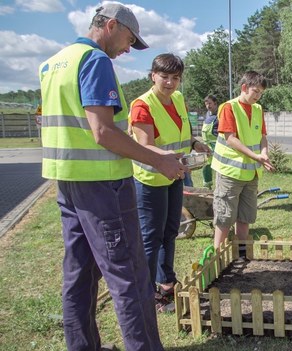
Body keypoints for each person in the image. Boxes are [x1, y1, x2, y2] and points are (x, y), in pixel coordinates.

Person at [38, 4, 186, 350]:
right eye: (128, 39)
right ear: (111, 25)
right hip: (104, 187)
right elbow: (103, 132)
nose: (125, 49)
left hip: (69, 184)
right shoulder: (95, 60)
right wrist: (157, 158)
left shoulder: (53, 63)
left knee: (79, 274)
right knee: (130, 277)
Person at [129, 53, 210, 312]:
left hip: (175, 175)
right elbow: (145, 147)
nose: (170, 83)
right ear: (153, 75)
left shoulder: (178, 99)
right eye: (164, 77)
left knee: (170, 232)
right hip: (150, 180)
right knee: (151, 237)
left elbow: (182, 135)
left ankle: (166, 282)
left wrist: (195, 143)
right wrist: (173, 158)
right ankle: (147, 292)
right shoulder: (142, 105)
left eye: (175, 78)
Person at [211, 71, 274, 257]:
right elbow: (230, 139)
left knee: (245, 216)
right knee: (224, 216)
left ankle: (242, 255)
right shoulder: (228, 108)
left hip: (251, 173)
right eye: (255, 91)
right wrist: (256, 157)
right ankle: (218, 257)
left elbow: (262, 137)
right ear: (244, 87)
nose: (258, 96)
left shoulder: (258, 109)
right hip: (230, 172)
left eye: (261, 93)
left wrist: (264, 153)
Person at [201, 94, 219, 188]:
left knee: (219, 167)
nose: (208, 106)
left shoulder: (220, 115)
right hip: (207, 146)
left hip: (217, 146)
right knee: (206, 166)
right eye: (206, 104)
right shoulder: (208, 114)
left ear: (215, 103)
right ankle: (207, 186)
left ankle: (221, 186)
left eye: (210, 103)